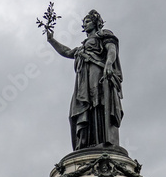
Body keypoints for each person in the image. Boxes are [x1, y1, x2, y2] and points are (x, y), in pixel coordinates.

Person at [46, 9, 124, 151]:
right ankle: (87, 142)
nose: (84, 25)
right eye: (83, 23)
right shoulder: (82, 48)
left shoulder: (104, 34)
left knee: (98, 103)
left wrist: (108, 63)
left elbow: (112, 49)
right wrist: (52, 40)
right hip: (83, 81)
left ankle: (102, 139)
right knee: (82, 108)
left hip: (97, 74)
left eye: (87, 22)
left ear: (96, 22)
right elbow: (67, 52)